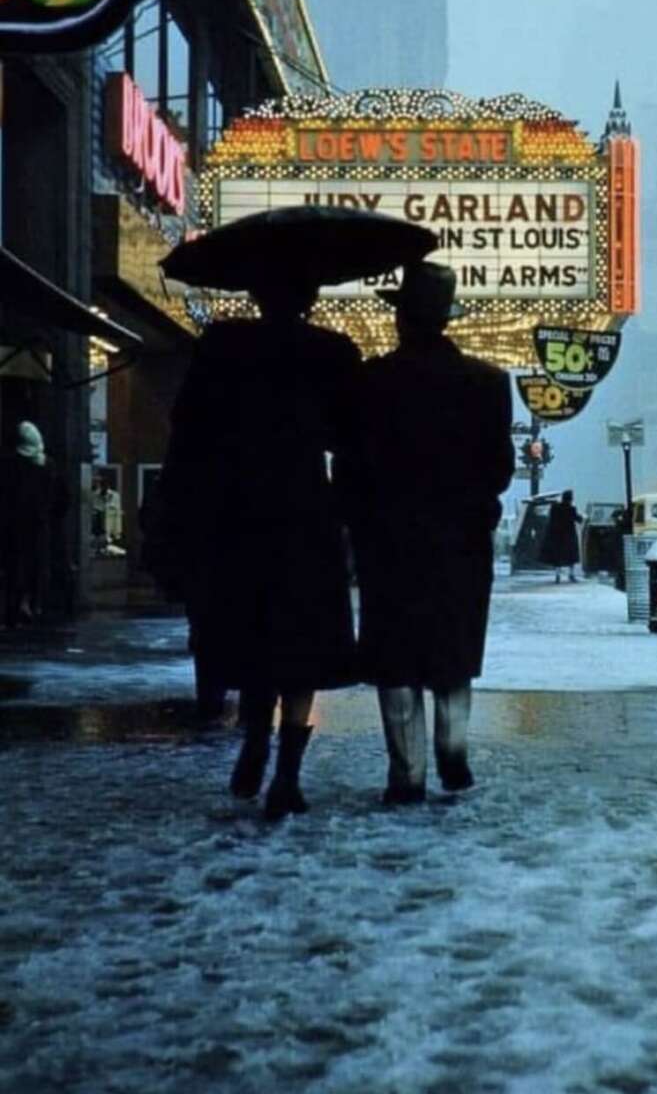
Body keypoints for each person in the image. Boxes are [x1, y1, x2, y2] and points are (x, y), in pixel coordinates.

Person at [153, 267, 361, 820]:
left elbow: (186, 422)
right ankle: (288, 773)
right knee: (304, 637)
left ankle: (254, 738)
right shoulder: (332, 351)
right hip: (305, 509)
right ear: (312, 296)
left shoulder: (224, 344)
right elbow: (350, 436)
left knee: (251, 627)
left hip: (238, 507)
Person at [346, 262, 515, 804]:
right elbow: (500, 470)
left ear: (401, 319)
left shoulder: (370, 383)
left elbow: (348, 469)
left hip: (389, 543)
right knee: (452, 648)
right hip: (460, 542)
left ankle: (408, 773)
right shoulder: (489, 383)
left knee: (396, 657)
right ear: (446, 319)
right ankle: (453, 750)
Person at [0, 421, 66, 628]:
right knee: (36, 567)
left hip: (12, 525)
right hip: (39, 525)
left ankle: (15, 608)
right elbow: (63, 498)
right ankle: (32, 604)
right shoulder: (48, 466)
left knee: (13, 567)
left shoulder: (9, 464)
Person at [540, 488, 583, 582]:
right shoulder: (571, 509)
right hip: (569, 536)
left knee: (558, 557)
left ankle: (557, 575)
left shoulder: (555, 508)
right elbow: (578, 519)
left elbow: (551, 519)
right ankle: (571, 575)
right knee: (571, 556)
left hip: (557, 536)